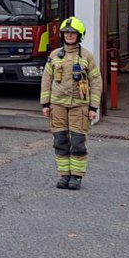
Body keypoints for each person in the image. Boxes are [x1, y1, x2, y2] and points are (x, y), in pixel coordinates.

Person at [40, 16, 102, 190]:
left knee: (77, 141)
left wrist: (93, 107)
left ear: (79, 35)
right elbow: (47, 79)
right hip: (57, 106)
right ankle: (64, 174)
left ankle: (76, 176)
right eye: (66, 33)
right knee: (60, 140)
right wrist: (45, 103)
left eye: (72, 33)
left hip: (79, 106)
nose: (69, 36)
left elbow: (96, 81)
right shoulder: (54, 56)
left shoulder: (86, 57)